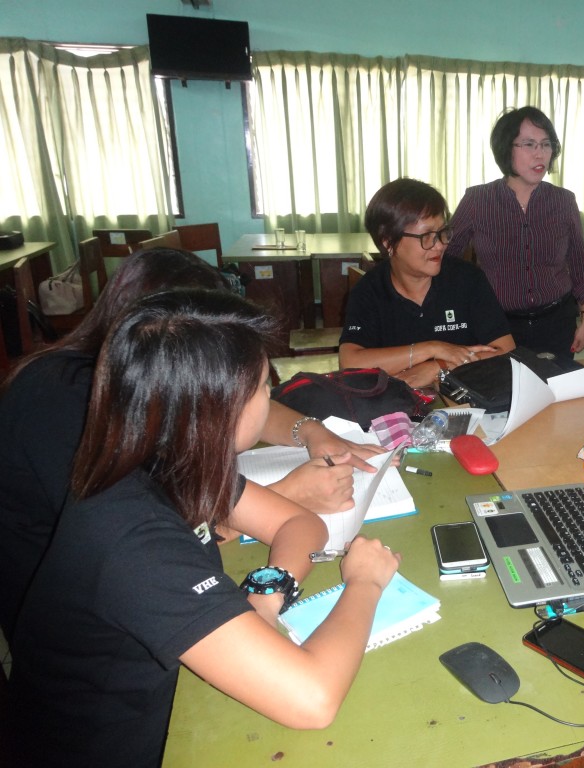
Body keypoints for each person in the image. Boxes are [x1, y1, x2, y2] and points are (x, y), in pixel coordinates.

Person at [8, 290, 400, 767]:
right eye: (262, 387)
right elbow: (312, 698)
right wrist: (364, 582)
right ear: (221, 407)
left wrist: (266, 595)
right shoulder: (127, 535)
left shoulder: (167, 453)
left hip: (170, 695)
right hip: (125, 745)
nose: (270, 398)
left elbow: (300, 522)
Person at [0, 248, 378, 642]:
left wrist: (311, 430)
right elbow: (138, 535)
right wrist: (287, 494)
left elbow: (237, 400)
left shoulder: (135, 389)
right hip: (83, 627)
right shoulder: (61, 402)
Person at [445, 106, 584, 362]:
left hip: (556, 322)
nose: (540, 154)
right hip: (496, 326)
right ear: (507, 148)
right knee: (503, 393)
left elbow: (580, 265)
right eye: (528, 144)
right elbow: (446, 257)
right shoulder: (477, 200)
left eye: (546, 144)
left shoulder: (563, 201)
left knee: (556, 393)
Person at [339, 178, 515, 388]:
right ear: (388, 242)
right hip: (399, 410)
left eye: (442, 233)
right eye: (427, 236)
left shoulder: (467, 279)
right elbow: (350, 363)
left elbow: (505, 350)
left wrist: (438, 367)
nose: (440, 245)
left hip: (465, 401)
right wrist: (431, 348)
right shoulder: (369, 290)